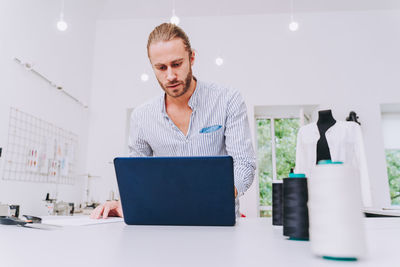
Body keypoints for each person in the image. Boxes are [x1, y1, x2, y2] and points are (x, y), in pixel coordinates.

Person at [90, 23, 256, 219]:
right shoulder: (142, 116)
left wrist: (215, 196)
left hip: (217, 218)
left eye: (176, 64)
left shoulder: (228, 100)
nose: (170, 76)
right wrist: (123, 202)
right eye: (161, 68)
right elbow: (135, 176)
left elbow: (244, 163)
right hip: (164, 220)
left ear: (191, 58)